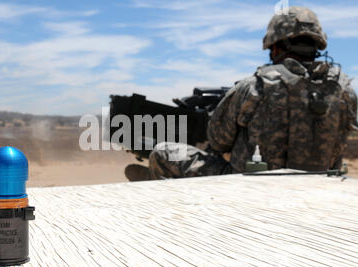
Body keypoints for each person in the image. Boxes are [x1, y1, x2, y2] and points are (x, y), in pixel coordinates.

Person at [125, 6, 357, 181]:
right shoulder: (346, 92)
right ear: (317, 45)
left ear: (275, 47)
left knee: (164, 152)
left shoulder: (255, 86)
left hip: (249, 189)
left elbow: (217, 141)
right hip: (317, 188)